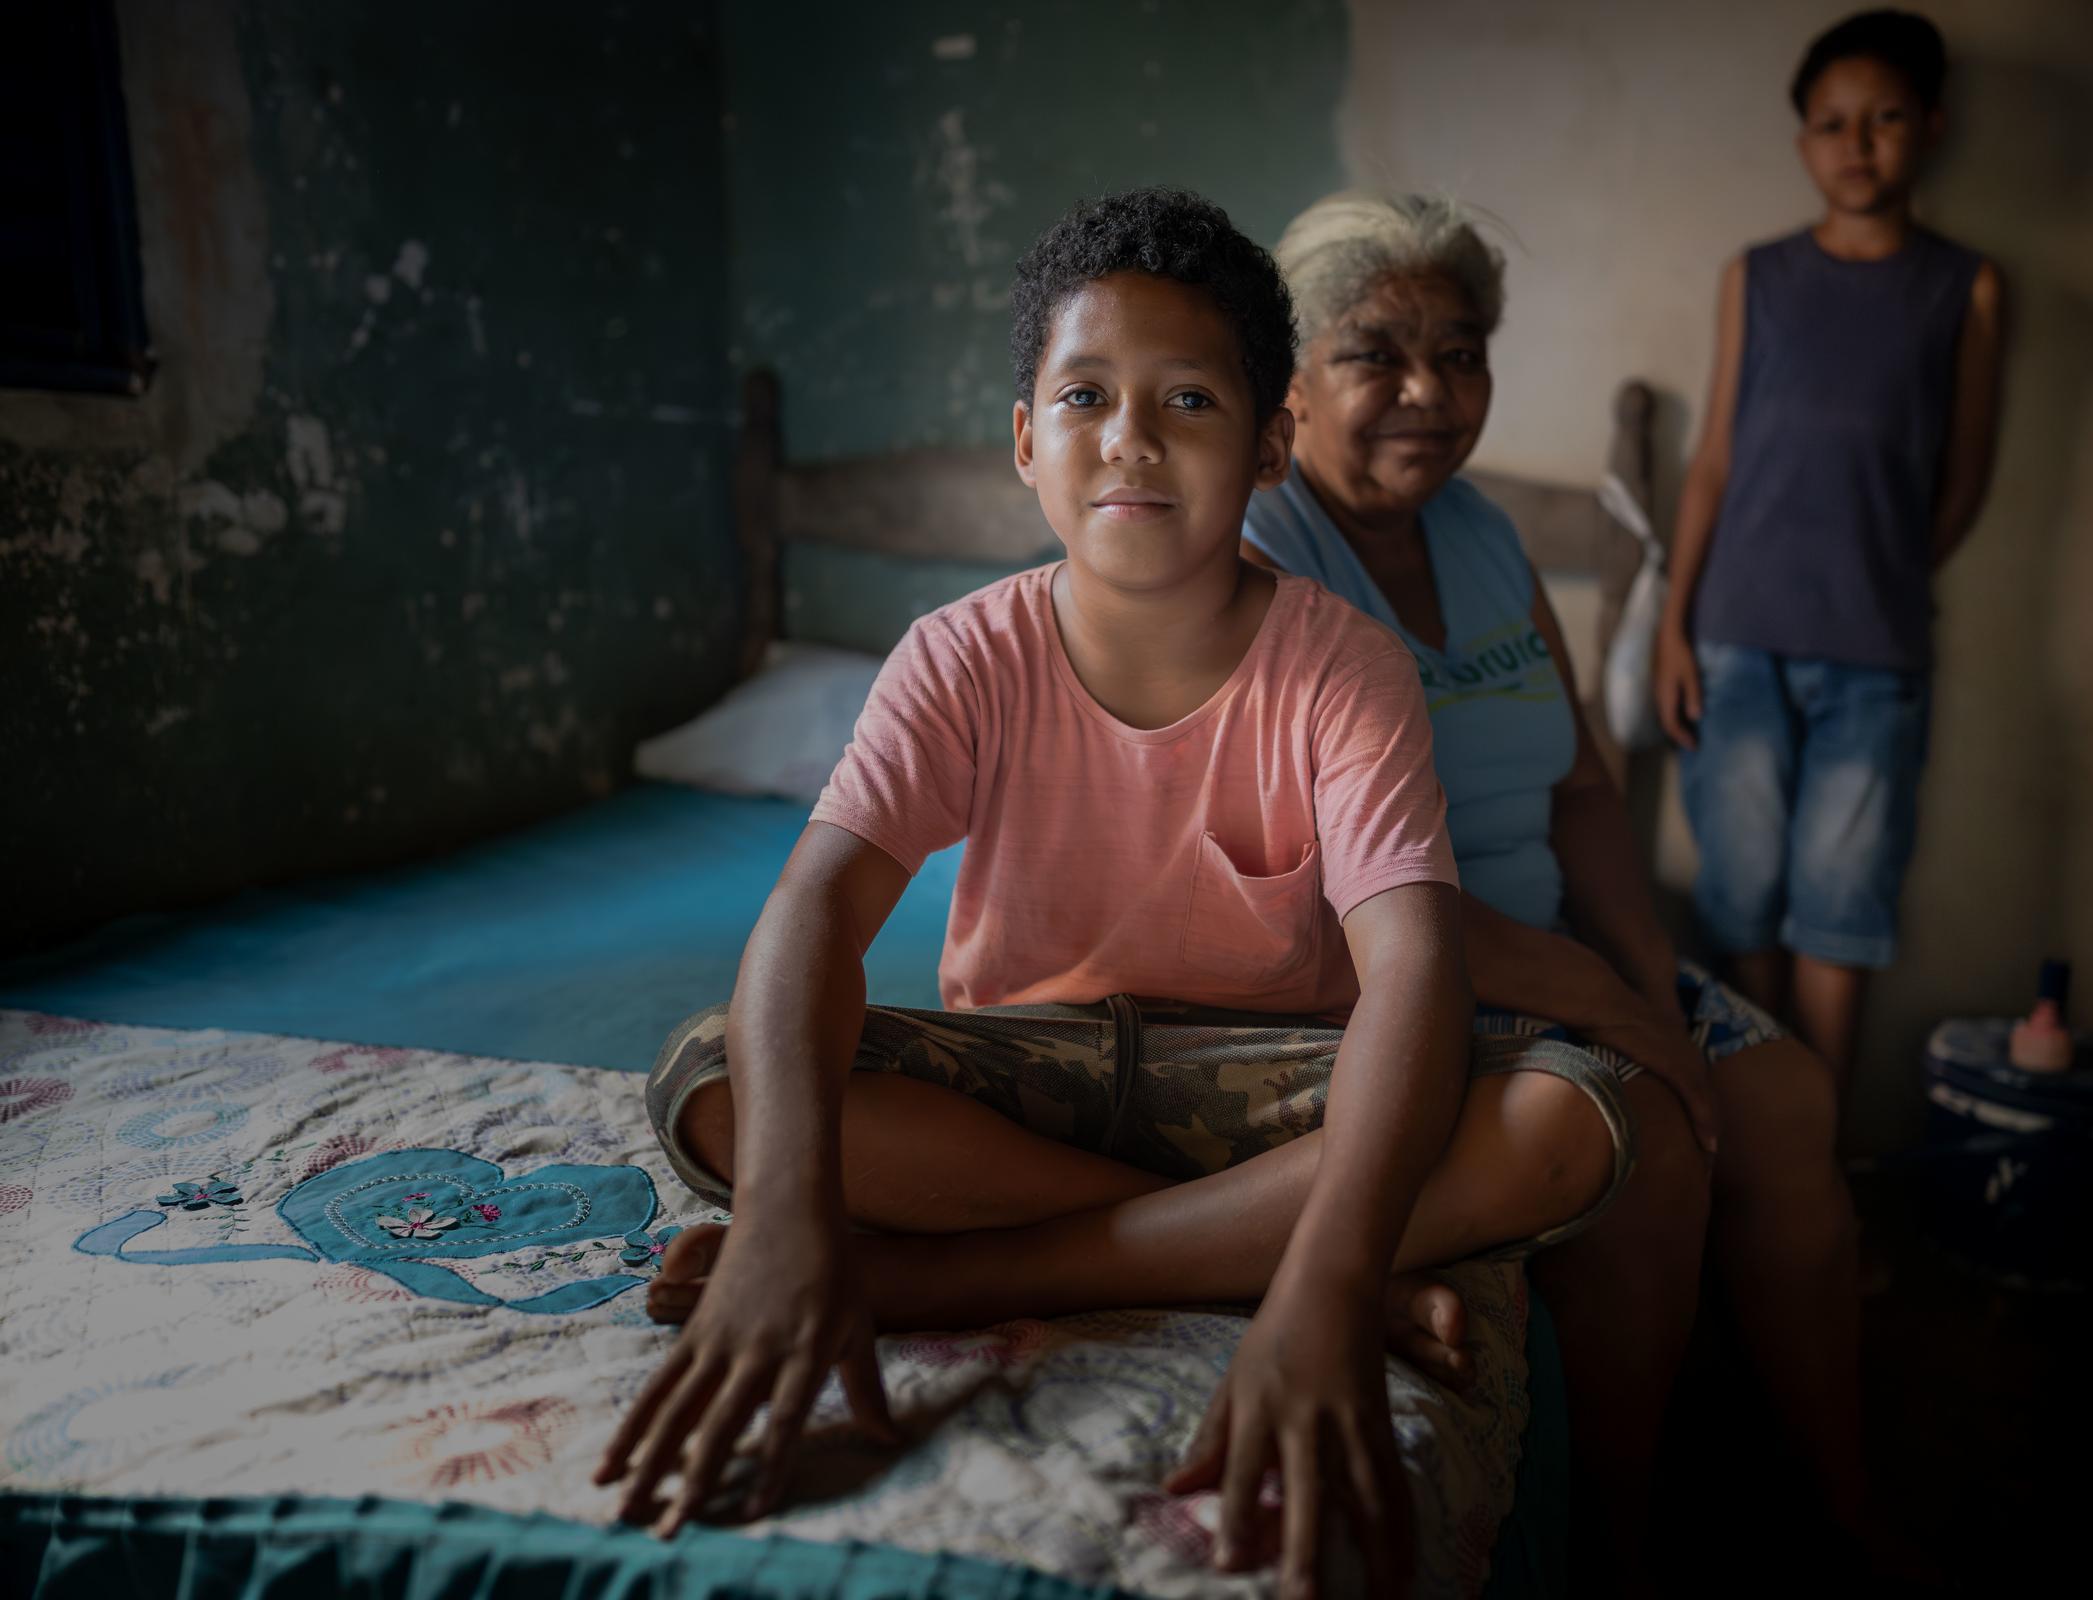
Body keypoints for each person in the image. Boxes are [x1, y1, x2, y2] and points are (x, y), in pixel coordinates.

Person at [595, 187, 1631, 1600]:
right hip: (1029, 1073)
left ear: (1268, 449)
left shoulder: (1342, 668)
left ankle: (950, 1276)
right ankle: (1233, 1246)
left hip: (1272, 1083)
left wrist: (1325, 1287)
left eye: (1189, 399)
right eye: (1086, 395)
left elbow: (1414, 971)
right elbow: (816, 914)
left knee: (1568, 1115)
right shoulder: (962, 656)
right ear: (1029, 440)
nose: (1130, 436)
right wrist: (783, 1214)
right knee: (718, 1078)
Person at [1244, 188, 1873, 1589]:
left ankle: (1839, 1508)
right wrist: (1612, 1008)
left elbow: (1583, 786)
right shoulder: (1264, 551)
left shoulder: (1480, 534)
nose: (1428, 391)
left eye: (1460, 355)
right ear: (1291, 378)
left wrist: (1646, 978)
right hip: (1389, 972)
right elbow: (1321, 886)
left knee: (1786, 1098)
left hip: (1552, 943)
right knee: (1645, 1146)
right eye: (1376, 354)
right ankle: (1617, 1547)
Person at [1654, 8, 2006, 1084]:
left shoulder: (1966, 287)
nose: (1857, 145)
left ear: (1931, 125)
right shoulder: (1757, 276)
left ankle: (1819, 1151)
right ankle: (1760, 1128)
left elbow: (1964, 477)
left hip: (1874, 656)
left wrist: (1880, 576)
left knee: (1840, 909)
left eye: (1884, 118)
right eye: (1831, 123)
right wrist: (1675, 625)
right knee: (1741, 898)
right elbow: (1714, 460)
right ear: (1803, 140)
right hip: (1734, 643)